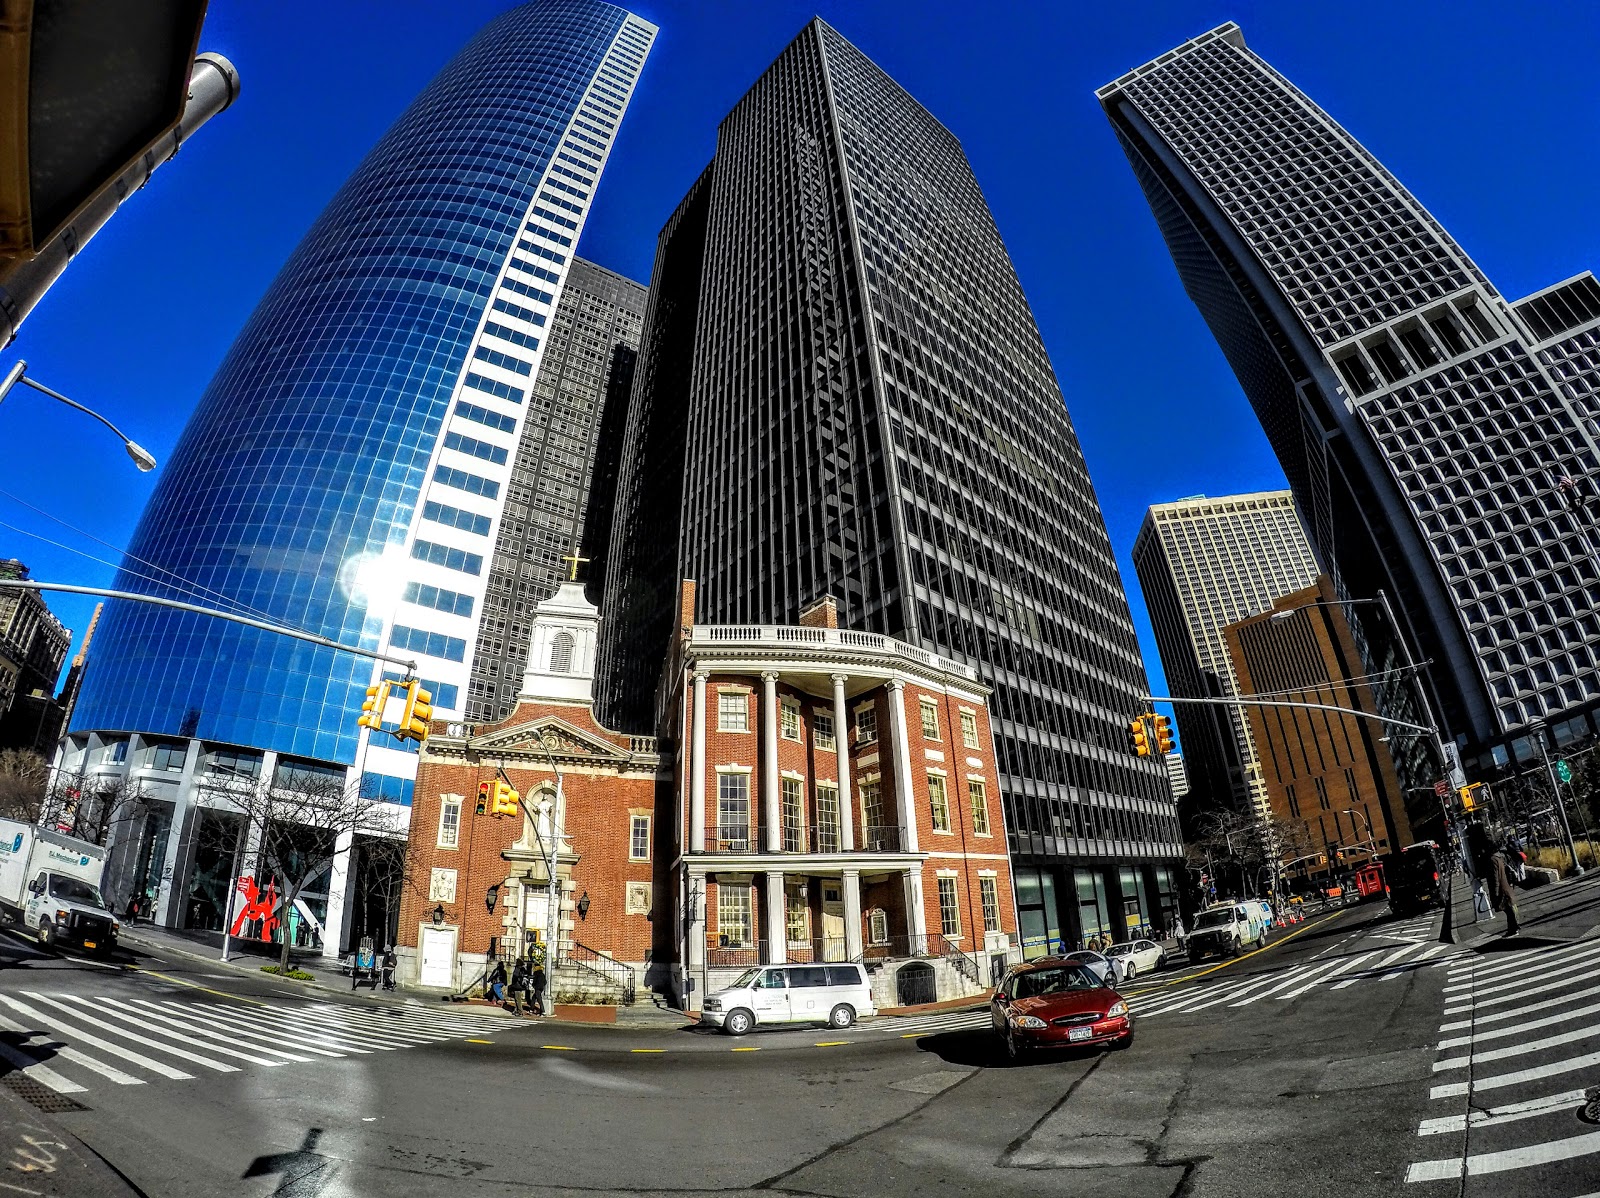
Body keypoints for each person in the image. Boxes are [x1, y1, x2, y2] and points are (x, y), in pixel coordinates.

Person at [1488, 846, 1521, 936]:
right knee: (1509, 909)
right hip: (1505, 885)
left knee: (1507, 909)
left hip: (1501, 889)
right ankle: (1514, 927)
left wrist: (1495, 892)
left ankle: (1513, 928)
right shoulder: (1500, 857)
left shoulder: (1493, 860)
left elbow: (1495, 877)